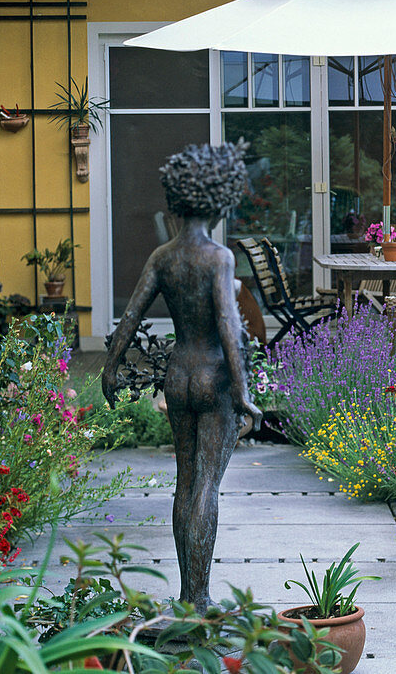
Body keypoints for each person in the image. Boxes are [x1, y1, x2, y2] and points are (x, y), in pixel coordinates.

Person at [102, 141, 261, 614]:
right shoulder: (219, 258)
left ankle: (187, 597)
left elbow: (129, 317)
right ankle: (198, 597)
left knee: (185, 482)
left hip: (178, 375)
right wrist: (245, 391)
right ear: (219, 199)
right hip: (213, 376)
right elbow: (230, 328)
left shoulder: (162, 256)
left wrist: (110, 368)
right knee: (207, 487)